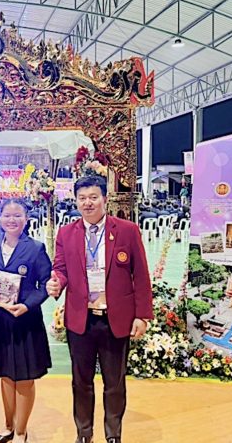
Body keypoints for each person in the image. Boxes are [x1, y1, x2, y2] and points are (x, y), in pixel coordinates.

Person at [47, 175, 153, 443]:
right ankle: (84, 433)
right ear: (76, 201)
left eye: (93, 197)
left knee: (114, 383)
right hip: (81, 320)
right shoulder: (66, 233)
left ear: (105, 199)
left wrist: (142, 315)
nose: (88, 203)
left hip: (115, 319)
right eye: (82, 198)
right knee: (80, 382)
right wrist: (56, 282)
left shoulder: (127, 230)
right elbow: (60, 268)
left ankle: (113, 434)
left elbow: (141, 274)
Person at [0, 199, 52, 443]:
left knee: (25, 377)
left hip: (25, 321)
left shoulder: (36, 248)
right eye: (7, 215)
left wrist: (27, 305)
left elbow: (46, 284)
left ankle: (21, 431)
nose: (12, 220)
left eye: (17, 215)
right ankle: (8, 426)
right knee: (5, 374)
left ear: (26, 219)